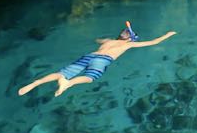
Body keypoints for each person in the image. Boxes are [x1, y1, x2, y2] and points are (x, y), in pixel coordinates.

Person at [17, 22, 176, 97]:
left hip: (90, 55)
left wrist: (102, 39)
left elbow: (97, 40)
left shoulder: (108, 41)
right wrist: (168, 34)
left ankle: (35, 83)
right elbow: (154, 42)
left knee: (61, 73)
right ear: (130, 39)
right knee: (90, 78)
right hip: (103, 61)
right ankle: (68, 84)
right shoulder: (128, 45)